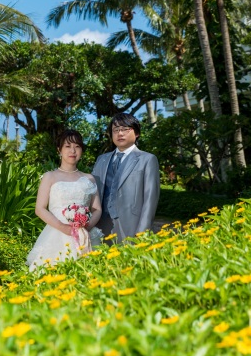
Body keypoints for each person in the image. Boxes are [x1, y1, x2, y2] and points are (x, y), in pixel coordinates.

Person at [26, 130, 102, 271]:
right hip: (57, 233)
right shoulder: (50, 176)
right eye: (67, 146)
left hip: (85, 233)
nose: (72, 150)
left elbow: (97, 209)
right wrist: (63, 227)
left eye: (77, 146)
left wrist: (87, 227)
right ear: (59, 150)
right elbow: (40, 208)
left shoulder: (89, 178)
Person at [92, 113, 160, 244]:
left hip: (132, 224)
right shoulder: (102, 159)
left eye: (125, 129)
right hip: (101, 224)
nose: (120, 133)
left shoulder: (147, 159)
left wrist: (143, 231)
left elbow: (150, 199)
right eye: (115, 130)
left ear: (137, 133)